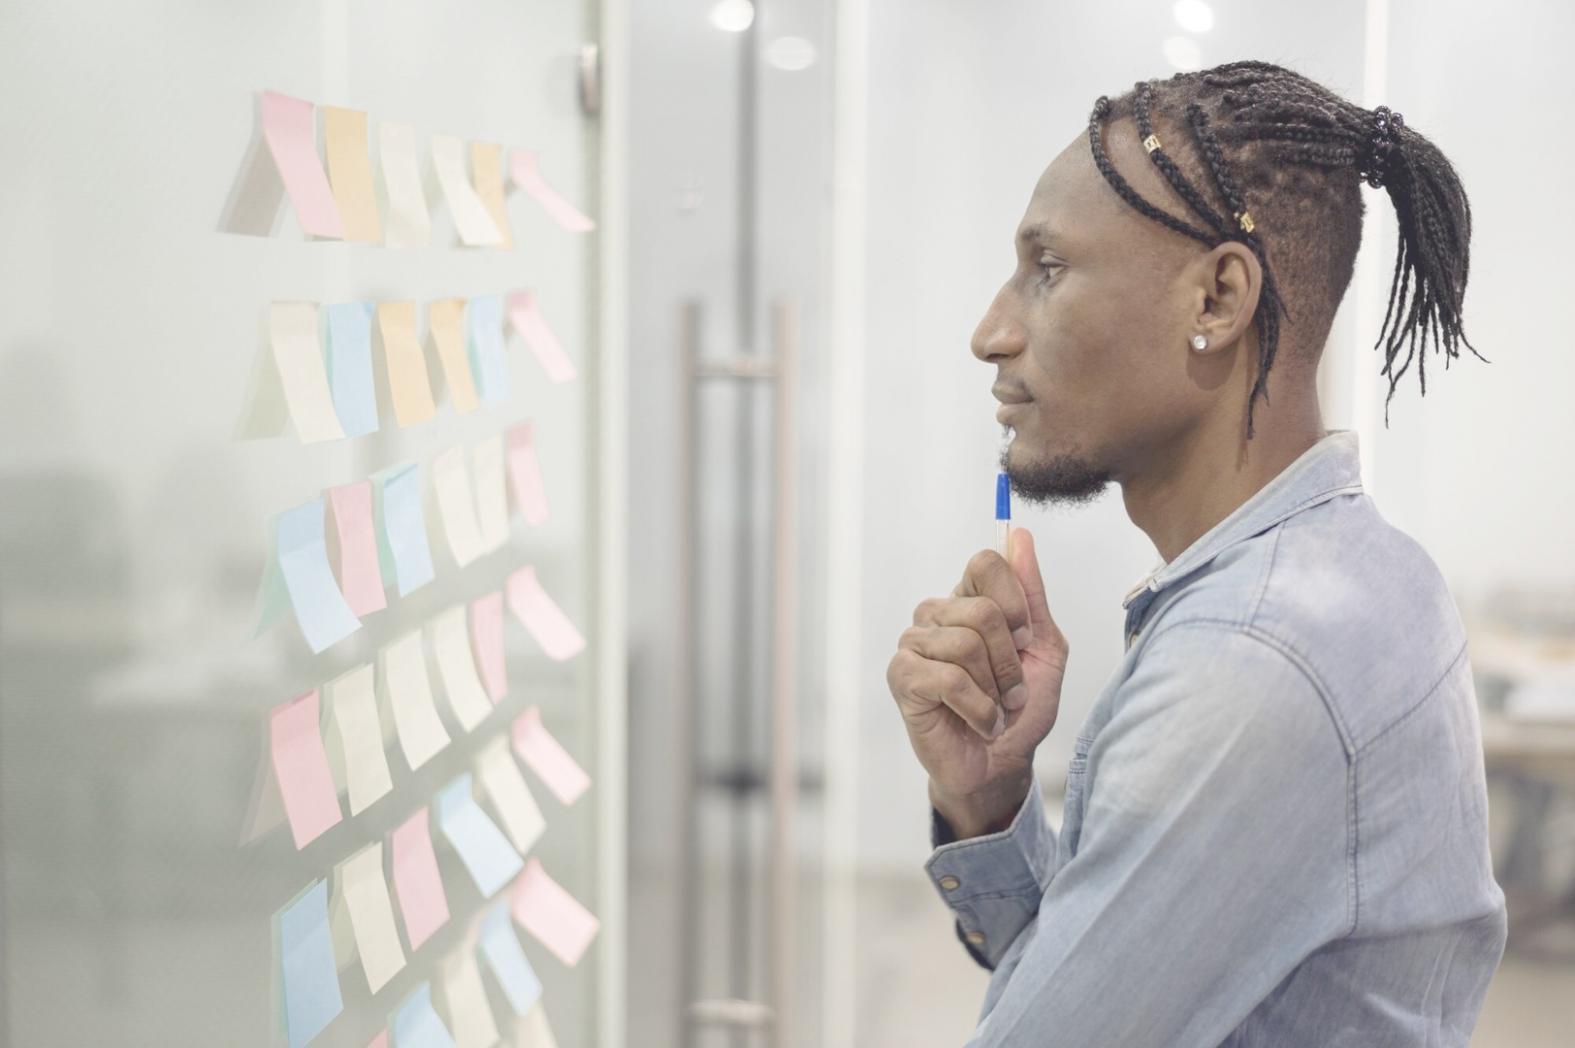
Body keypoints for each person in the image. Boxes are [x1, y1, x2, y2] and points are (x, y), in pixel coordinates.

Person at [885, 60, 1507, 1046]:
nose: (991, 333)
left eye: (1047, 270)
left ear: (1218, 298)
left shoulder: (1256, 661)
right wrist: (987, 795)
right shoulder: (1356, 567)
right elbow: (1098, 971)